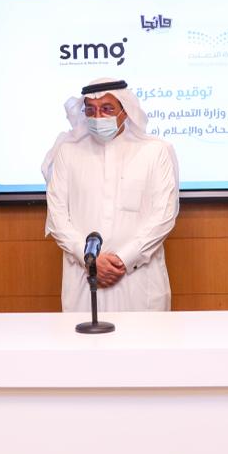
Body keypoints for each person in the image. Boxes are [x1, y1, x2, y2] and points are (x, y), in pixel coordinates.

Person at [43, 78, 180, 312]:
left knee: (145, 336)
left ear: (125, 111)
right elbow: (57, 218)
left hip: (139, 280)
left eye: (107, 109)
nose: (98, 117)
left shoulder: (156, 151)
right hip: (85, 278)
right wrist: (88, 259)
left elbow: (164, 216)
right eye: (90, 110)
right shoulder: (68, 152)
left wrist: (124, 259)